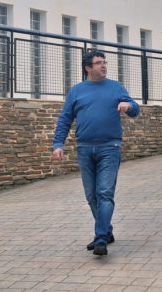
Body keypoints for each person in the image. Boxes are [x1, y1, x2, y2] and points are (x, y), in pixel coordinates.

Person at [52, 50, 140, 256]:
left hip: (110, 148)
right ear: (88, 68)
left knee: (104, 193)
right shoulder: (76, 91)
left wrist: (128, 106)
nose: (103, 66)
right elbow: (65, 119)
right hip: (84, 148)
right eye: (98, 63)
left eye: (104, 62)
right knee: (91, 196)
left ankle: (100, 237)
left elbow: (135, 109)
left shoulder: (116, 87)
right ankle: (107, 231)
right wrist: (58, 144)